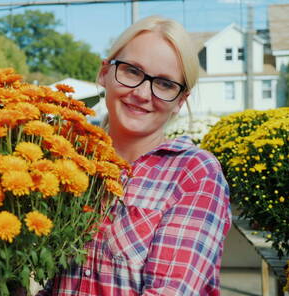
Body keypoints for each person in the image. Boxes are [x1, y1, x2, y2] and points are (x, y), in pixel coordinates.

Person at [37, 15, 231, 295]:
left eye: (164, 84)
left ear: (180, 101)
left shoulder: (194, 174)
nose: (141, 93)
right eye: (132, 71)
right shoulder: (72, 161)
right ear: (105, 72)